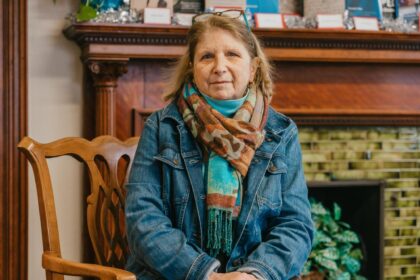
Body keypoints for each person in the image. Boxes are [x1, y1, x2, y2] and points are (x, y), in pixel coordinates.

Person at [125, 11, 314, 280]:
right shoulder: (161, 126)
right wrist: (207, 275)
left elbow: (296, 225)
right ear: (192, 67)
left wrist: (254, 275)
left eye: (232, 55)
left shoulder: (281, 132)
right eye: (207, 56)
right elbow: (142, 220)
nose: (219, 67)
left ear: (253, 69)